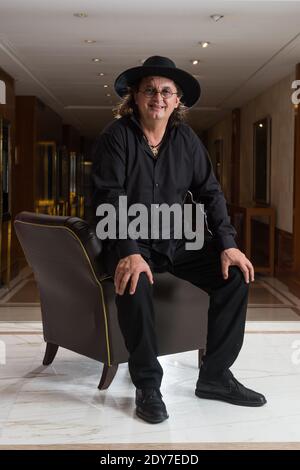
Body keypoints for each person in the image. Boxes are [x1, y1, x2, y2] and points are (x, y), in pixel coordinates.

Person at [91, 56, 267, 424]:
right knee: (134, 279)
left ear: (177, 100)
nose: (158, 97)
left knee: (234, 277)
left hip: (174, 240)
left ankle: (216, 376)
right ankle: (148, 386)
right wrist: (129, 252)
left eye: (166, 91)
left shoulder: (186, 140)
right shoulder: (116, 136)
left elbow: (210, 192)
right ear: (135, 97)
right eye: (150, 90)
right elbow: (110, 198)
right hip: (128, 239)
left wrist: (228, 243)